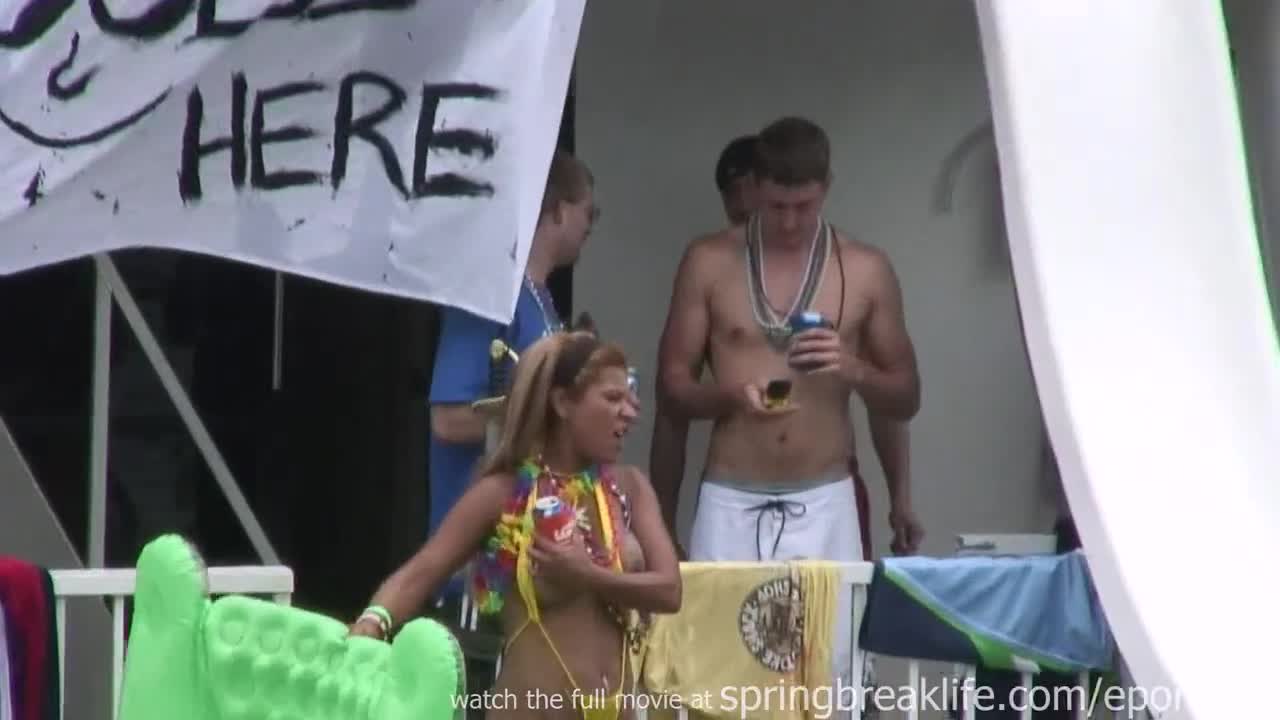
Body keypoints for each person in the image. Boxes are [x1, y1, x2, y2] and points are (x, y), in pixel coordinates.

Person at [653, 116, 921, 693]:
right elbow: (671, 390)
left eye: (805, 206)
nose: (791, 221)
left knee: (829, 680)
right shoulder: (708, 261)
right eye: (777, 207)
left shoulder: (866, 268)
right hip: (731, 495)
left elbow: (905, 396)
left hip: (824, 497)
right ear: (754, 189)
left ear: (827, 188)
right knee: (714, 681)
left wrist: (852, 367)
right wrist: (727, 396)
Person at [352, 332, 681, 720]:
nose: (630, 412)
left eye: (629, 397)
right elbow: (420, 573)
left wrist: (587, 575)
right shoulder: (503, 495)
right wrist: (370, 627)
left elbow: (670, 590)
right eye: (612, 398)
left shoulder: (631, 488)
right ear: (562, 403)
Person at [427, 149, 598, 601]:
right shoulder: (487, 295)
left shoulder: (540, 300)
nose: (591, 224)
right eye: (590, 212)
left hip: (535, 551)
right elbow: (448, 420)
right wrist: (547, 412)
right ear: (557, 210)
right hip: (480, 559)